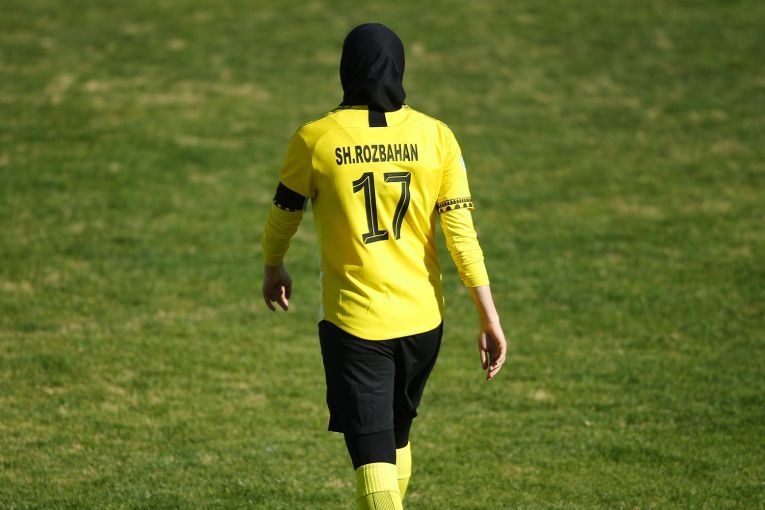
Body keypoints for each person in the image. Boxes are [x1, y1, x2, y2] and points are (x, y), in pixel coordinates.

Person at [261, 23, 507, 510]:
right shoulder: (437, 136)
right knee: (394, 438)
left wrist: (274, 267)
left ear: (346, 69)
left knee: (373, 457)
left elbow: (284, 214)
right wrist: (489, 316)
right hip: (423, 325)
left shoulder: (316, 139)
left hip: (357, 326)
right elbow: (461, 236)